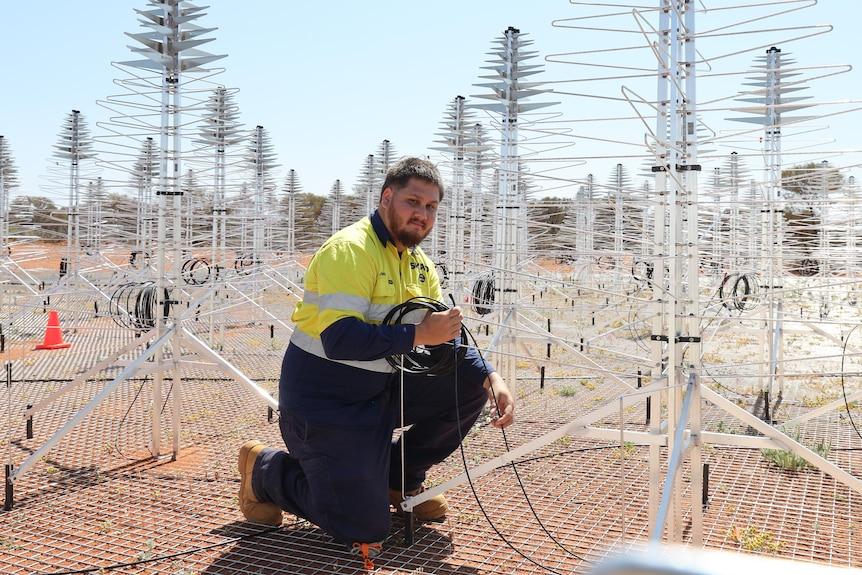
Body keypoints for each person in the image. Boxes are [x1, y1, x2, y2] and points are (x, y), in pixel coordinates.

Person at [238, 156, 515, 566]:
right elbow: (338, 339)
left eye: (431, 206)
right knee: (364, 530)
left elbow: (441, 337)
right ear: (387, 198)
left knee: (468, 383)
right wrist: (420, 333)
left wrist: (491, 377)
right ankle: (265, 470)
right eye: (412, 201)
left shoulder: (418, 263)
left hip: (380, 390)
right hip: (326, 402)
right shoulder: (350, 250)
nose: (421, 214)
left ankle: (397, 481)